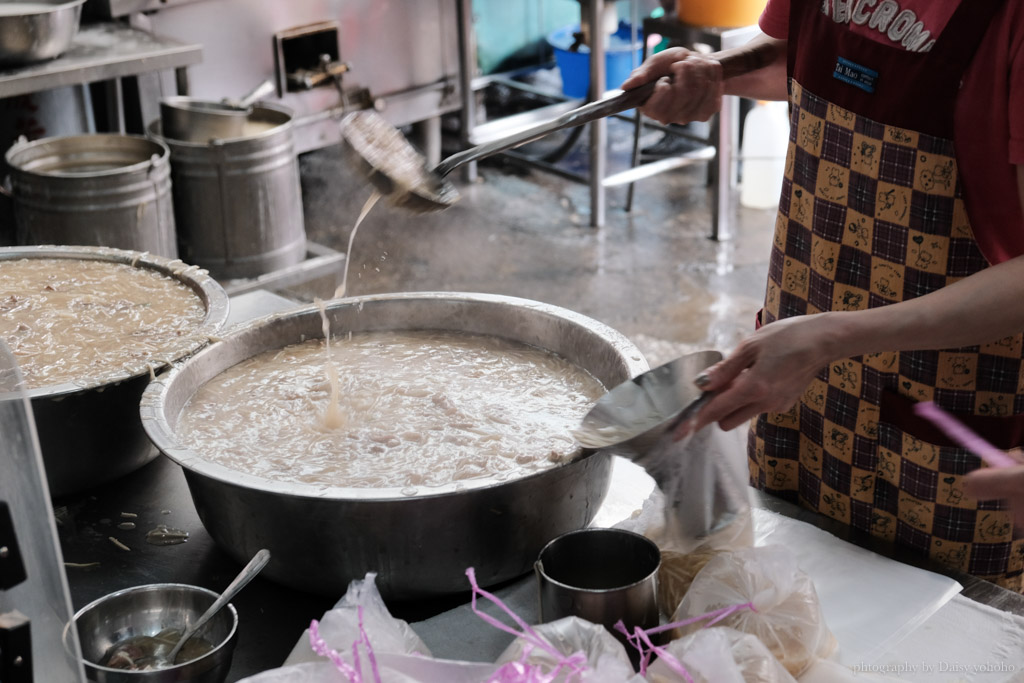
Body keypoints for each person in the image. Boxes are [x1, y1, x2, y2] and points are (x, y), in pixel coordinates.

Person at [621, 0, 1024, 590]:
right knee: (792, 601)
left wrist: (831, 338)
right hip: (802, 374)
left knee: (936, 632)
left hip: (946, 407)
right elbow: (802, 59)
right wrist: (716, 71)